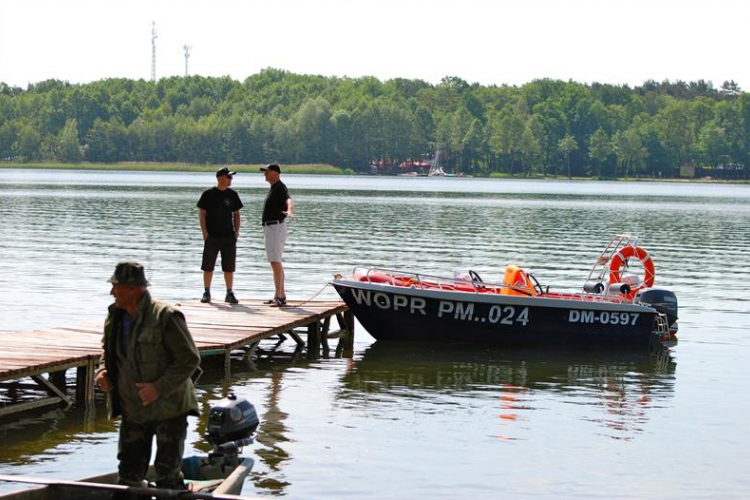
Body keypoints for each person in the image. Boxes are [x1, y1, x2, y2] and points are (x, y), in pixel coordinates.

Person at [95, 261, 201, 498]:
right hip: (134, 409)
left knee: (168, 478)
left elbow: (189, 360)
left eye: (116, 286)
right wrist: (102, 372)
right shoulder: (115, 316)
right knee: (128, 476)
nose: (112, 292)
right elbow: (107, 350)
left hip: (169, 409)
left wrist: (158, 387)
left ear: (133, 289)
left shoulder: (166, 317)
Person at [197, 167, 243, 304]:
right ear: (221, 178)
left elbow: (236, 214)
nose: (231, 179)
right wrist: (204, 232)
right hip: (212, 236)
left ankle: (229, 293)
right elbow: (202, 213)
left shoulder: (232, 194)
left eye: (231, 177)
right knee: (208, 265)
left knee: (229, 266)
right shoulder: (208, 194)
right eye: (229, 177)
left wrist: (237, 232)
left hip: (229, 236)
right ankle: (206, 292)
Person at [260, 164, 294, 307]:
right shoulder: (274, 188)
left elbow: (289, 200)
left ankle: (279, 297)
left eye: (267, 172)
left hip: (276, 226)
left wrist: (289, 210)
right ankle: (280, 295)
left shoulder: (280, 187)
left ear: (275, 173)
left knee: (275, 262)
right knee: (275, 262)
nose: (265, 174)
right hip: (271, 227)